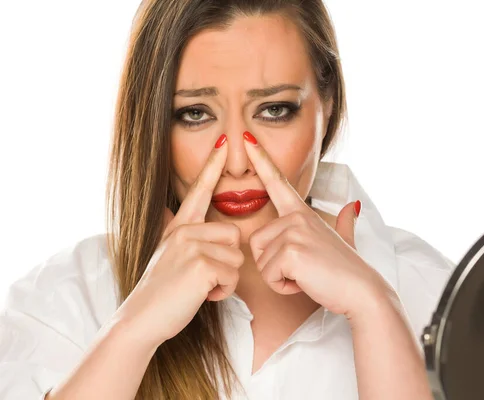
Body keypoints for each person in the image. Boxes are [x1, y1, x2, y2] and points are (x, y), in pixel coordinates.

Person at [0, 0, 454, 399]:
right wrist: (133, 330)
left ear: (328, 104)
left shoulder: (435, 293)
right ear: (155, 121)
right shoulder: (66, 298)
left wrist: (375, 310)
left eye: (274, 109)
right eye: (195, 114)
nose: (237, 160)